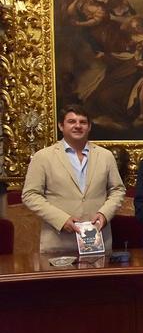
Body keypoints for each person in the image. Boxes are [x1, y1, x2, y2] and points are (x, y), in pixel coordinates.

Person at [22, 105, 126, 253]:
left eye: (83, 122)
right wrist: (61, 220)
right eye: (71, 121)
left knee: (99, 278)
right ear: (61, 126)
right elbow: (30, 195)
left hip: (98, 241)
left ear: (89, 127)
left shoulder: (105, 156)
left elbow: (118, 190)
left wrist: (104, 214)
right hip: (59, 242)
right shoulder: (43, 157)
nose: (78, 126)